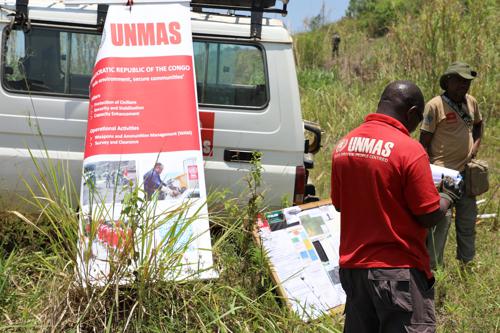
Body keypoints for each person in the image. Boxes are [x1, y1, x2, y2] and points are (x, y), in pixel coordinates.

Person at [331, 80, 461, 332]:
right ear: (412, 113)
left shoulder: (344, 145)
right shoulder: (409, 150)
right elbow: (428, 215)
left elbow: (339, 204)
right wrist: (447, 197)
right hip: (398, 274)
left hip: (354, 270)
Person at [420, 62, 483, 269]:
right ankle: (432, 270)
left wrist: (475, 146)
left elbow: (478, 125)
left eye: (467, 82)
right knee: (440, 224)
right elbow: (424, 143)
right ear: (447, 81)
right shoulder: (435, 105)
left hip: (467, 173)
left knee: (467, 222)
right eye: (459, 81)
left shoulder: (471, 102)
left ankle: (467, 264)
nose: (463, 85)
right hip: (442, 176)